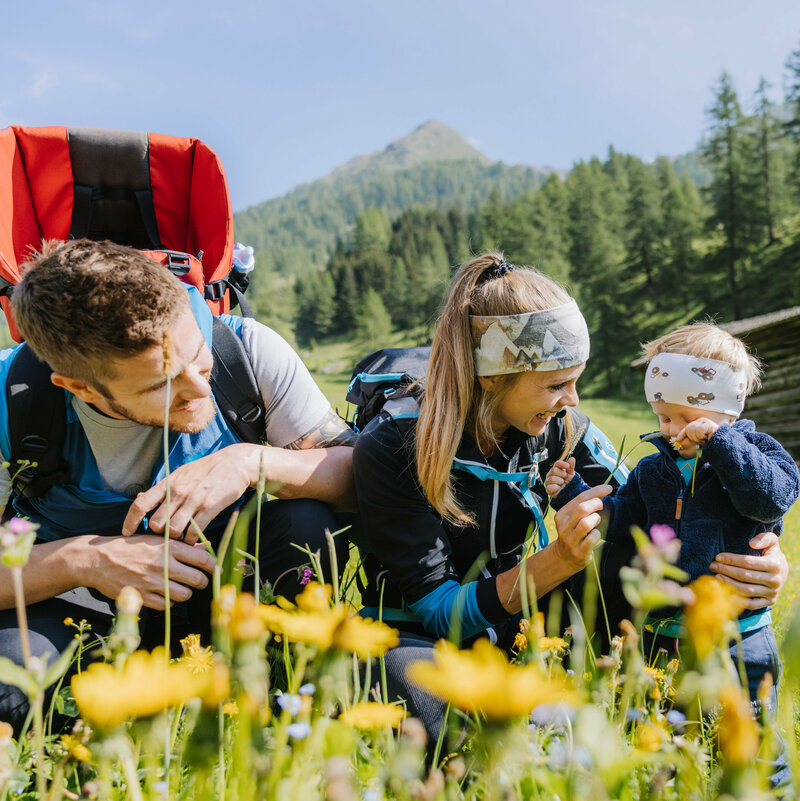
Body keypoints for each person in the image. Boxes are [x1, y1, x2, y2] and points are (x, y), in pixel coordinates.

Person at [351, 254, 789, 743]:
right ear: (492, 376)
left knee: (624, 561)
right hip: (416, 635)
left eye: (576, 380)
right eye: (557, 384)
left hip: (522, 624)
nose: (574, 401)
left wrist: (764, 561)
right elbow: (440, 611)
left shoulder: (558, 427)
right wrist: (558, 560)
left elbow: (663, 512)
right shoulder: (394, 444)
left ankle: (671, 711)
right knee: (440, 720)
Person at [0, 239, 357, 731]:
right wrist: (84, 558)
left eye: (197, 355)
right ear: (78, 386)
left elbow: (363, 479)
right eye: (163, 383)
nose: (200, 387)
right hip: (78, 602)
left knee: (306, 522)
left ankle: (287, 685)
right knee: (7, 689)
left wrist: (251, 460)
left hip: (229, 588)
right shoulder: (12, 401)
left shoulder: (245, 351)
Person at [545, 322, 798, 788]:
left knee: (752, 747)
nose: (672, 431)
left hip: (738, 637)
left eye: (684, 418)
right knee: (665, 741)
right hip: (665, 636)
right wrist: (574, 496)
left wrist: (722, 446)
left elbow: (772, 497)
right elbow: (624, 522)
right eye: (663, 417)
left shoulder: (757, 451)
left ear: (725, 409)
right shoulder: (652, 470)